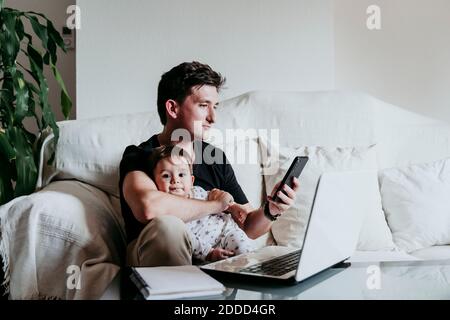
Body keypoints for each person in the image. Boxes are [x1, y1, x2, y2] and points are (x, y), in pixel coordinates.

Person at [119, 61, 299, 267]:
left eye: (215, 107)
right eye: (203, 105)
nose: (213, 117)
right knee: (168, 226)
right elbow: (149, 208)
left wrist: (271, 210)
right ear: (173, 108)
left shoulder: (214, 157)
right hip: (151, 256)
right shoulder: (140, 155)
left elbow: (249, 226)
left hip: (214, 261)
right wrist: (214, 205)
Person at [145, 144, 255, 262]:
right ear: (154, 182)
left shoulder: (198, 191)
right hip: (208, 249)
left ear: (191, 180)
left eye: (181, 174)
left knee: (244, 253)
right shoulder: (166, 209)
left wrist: (232, 206)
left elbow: (221, 199)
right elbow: (187, 237)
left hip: (228, 233)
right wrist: (209, 252)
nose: (175, 180)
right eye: (166, 176)